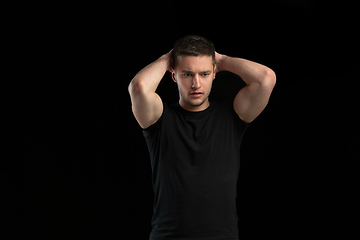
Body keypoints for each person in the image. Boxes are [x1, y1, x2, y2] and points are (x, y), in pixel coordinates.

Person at [128, 35, 276, 240]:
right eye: (187, 74)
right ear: (174, 75)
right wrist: (168, 58)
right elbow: (139, 87)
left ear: (214, 73)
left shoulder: (231, 116)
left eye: (204, 73)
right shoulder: (159, 120)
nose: (196, 83)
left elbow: (266, 79)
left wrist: (221, 60)